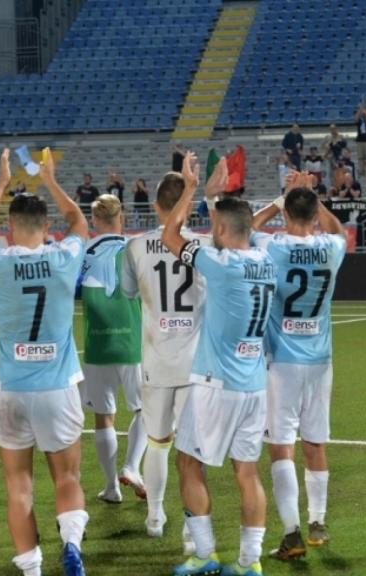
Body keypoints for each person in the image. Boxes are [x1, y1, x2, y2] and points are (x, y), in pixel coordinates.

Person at [0, 149, 91, 576]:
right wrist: (52, 180)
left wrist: (2, 182)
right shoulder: (63, 258)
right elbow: (79, 222)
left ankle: (32, 570)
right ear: (46, 228)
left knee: (18, 485)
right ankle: (72, 545)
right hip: (56, 388)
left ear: (11, 228)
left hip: (11, 389)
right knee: (67, 479)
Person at [162, 152, 275, 576]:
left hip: (215, 384)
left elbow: (172, 235)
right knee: (247, 472)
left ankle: (205, 553)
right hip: (253, 386)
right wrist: (215, 200)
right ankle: (250, 563)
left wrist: (192, 190)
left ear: (224, 231)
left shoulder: (221, 264)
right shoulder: (265, 261)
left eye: (214, 227)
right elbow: (242, 229)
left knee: (188, 462)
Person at [249, 174, 346, 560]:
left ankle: (291, 534)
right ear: (314, 216)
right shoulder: (330, 247)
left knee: (281, 446)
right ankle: (318, 521)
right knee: (316, 441)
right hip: (320, 360)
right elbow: (338, 229)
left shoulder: (273, 247)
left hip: (283, 362)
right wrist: (315, 200)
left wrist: (280, 197)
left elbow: (248, 226)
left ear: (287, 212)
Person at [120, 164, 217, 544]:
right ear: (187, 208)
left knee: (157, 443)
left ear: (157, 207)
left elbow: (128, 293)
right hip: (195, 363)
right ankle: (192, 535)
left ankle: (155, 517)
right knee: (192, 455)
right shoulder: (204, 246)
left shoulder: (135, 246)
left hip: (156, 361)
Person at [78, 195, 147, 504]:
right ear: (123, 218)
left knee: (103, 416)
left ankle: (111, 487)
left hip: (98, 344)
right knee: (145, 409)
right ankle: (132, 466)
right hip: (132, 340)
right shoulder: (137, 248)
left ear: (94, 220)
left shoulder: (82, 251)